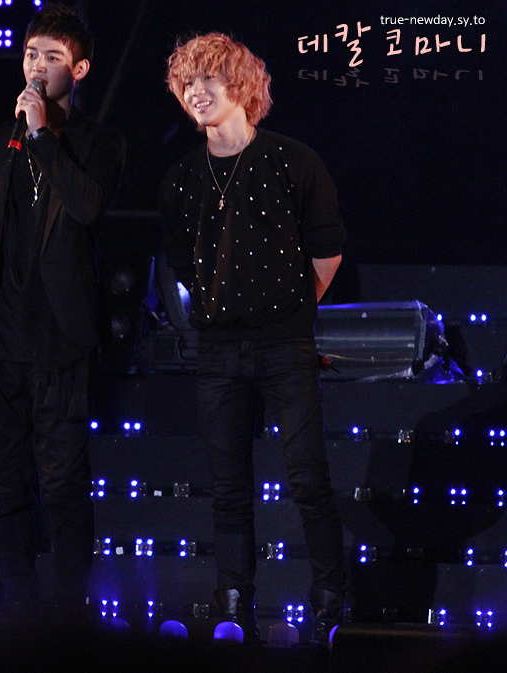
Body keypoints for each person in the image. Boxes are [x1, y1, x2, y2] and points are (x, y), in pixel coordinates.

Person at [159, 33, 348, 645]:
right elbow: (180, 261)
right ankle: (234, 605)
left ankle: (329, 604)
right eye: (187, 83)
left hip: (284, 346)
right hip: (218, 351)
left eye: (208, 79)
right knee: (229, 487)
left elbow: (327, 251)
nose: (196, 92)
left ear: (240, 85)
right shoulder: (182, 177)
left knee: (307, 478)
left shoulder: (293, 161)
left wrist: (289, 310)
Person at [0, 3, 125, 615]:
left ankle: (65, 617)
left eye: (52, 57)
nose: (37, 67)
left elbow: (86, 207)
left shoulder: (100, 143)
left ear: (78, 69)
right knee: (5, 486)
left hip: (61, 338)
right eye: (31, 54)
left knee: (61, 485)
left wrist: (41, 136)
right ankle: (17, 611)